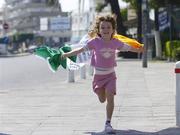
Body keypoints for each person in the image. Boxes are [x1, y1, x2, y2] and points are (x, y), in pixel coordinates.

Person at [61, 14, 144, 133]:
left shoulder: (116, 42)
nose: (105, 30)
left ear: (113, 30)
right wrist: (67, 54)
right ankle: (101, 93)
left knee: (110, 97)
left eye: (108, 27)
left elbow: (128, 47)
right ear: (99, 30)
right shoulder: (94, 42)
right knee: (102, 99)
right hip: (98, 77)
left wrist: (139, 49)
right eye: (103, 28)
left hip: (111, 76)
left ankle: (108, 123)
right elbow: (80, 50)